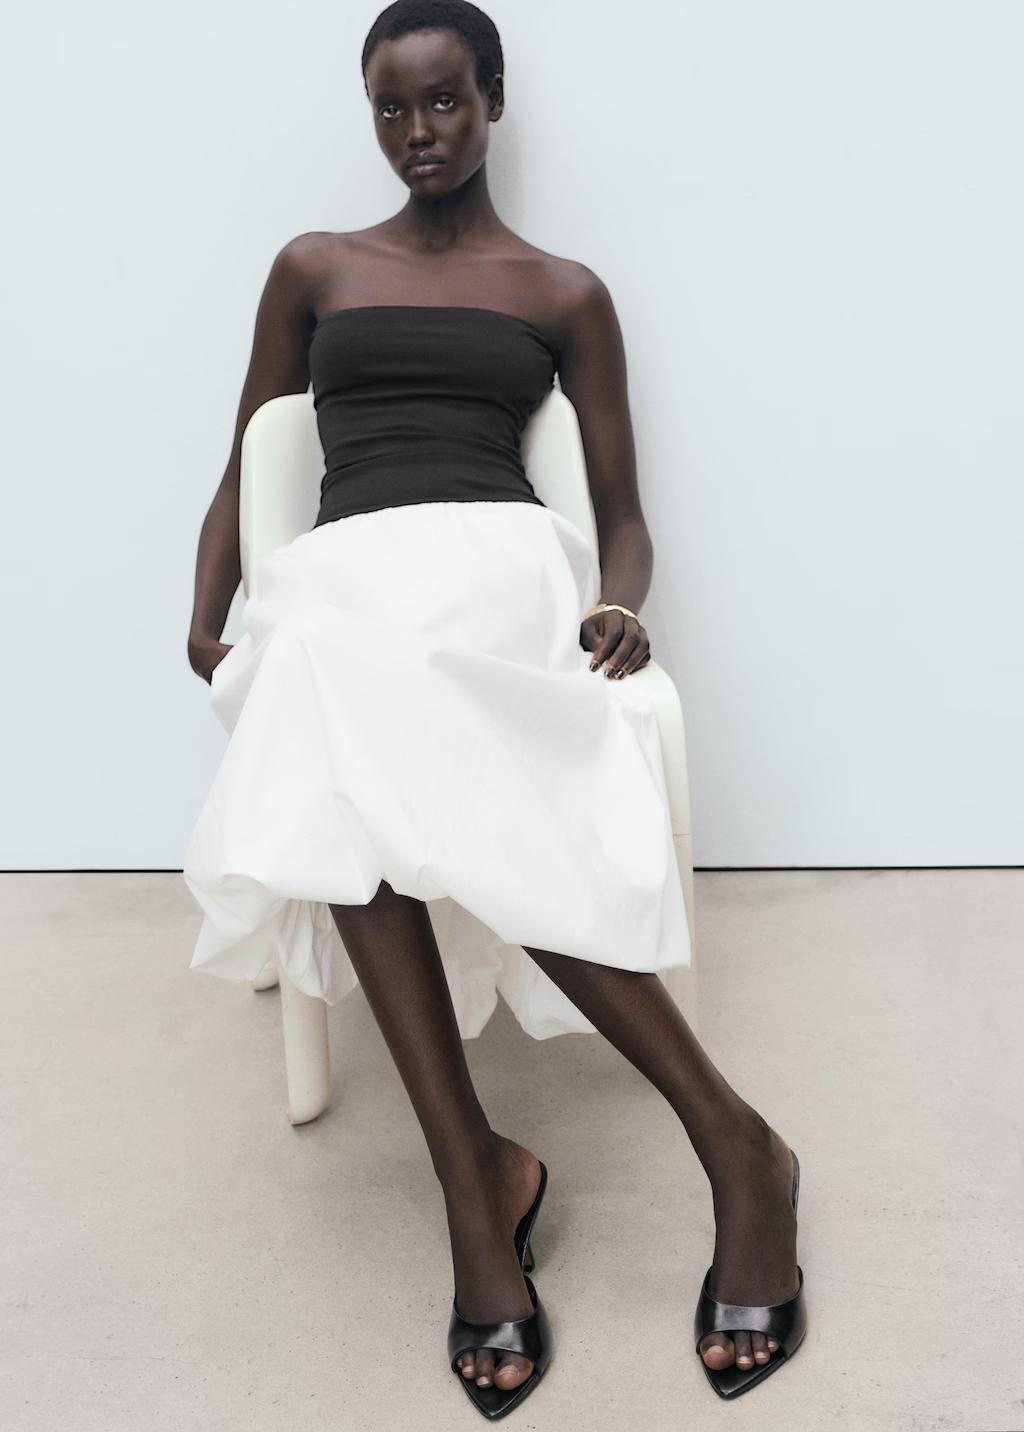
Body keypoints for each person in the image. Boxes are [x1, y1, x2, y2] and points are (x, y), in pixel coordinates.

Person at [183, 0, 807, 1416]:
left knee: (338, 720)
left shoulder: (563, 291)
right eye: (392, 109)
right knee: (325, 676)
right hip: (344, 576)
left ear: (495, 99)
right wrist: (206, 603)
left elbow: (625, 518)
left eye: (445, 101)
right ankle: (599, 1159)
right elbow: (245, 458)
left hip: (495, 568)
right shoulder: (313, 266)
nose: (419, 132)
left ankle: (536, 1178)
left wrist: (622, 606)